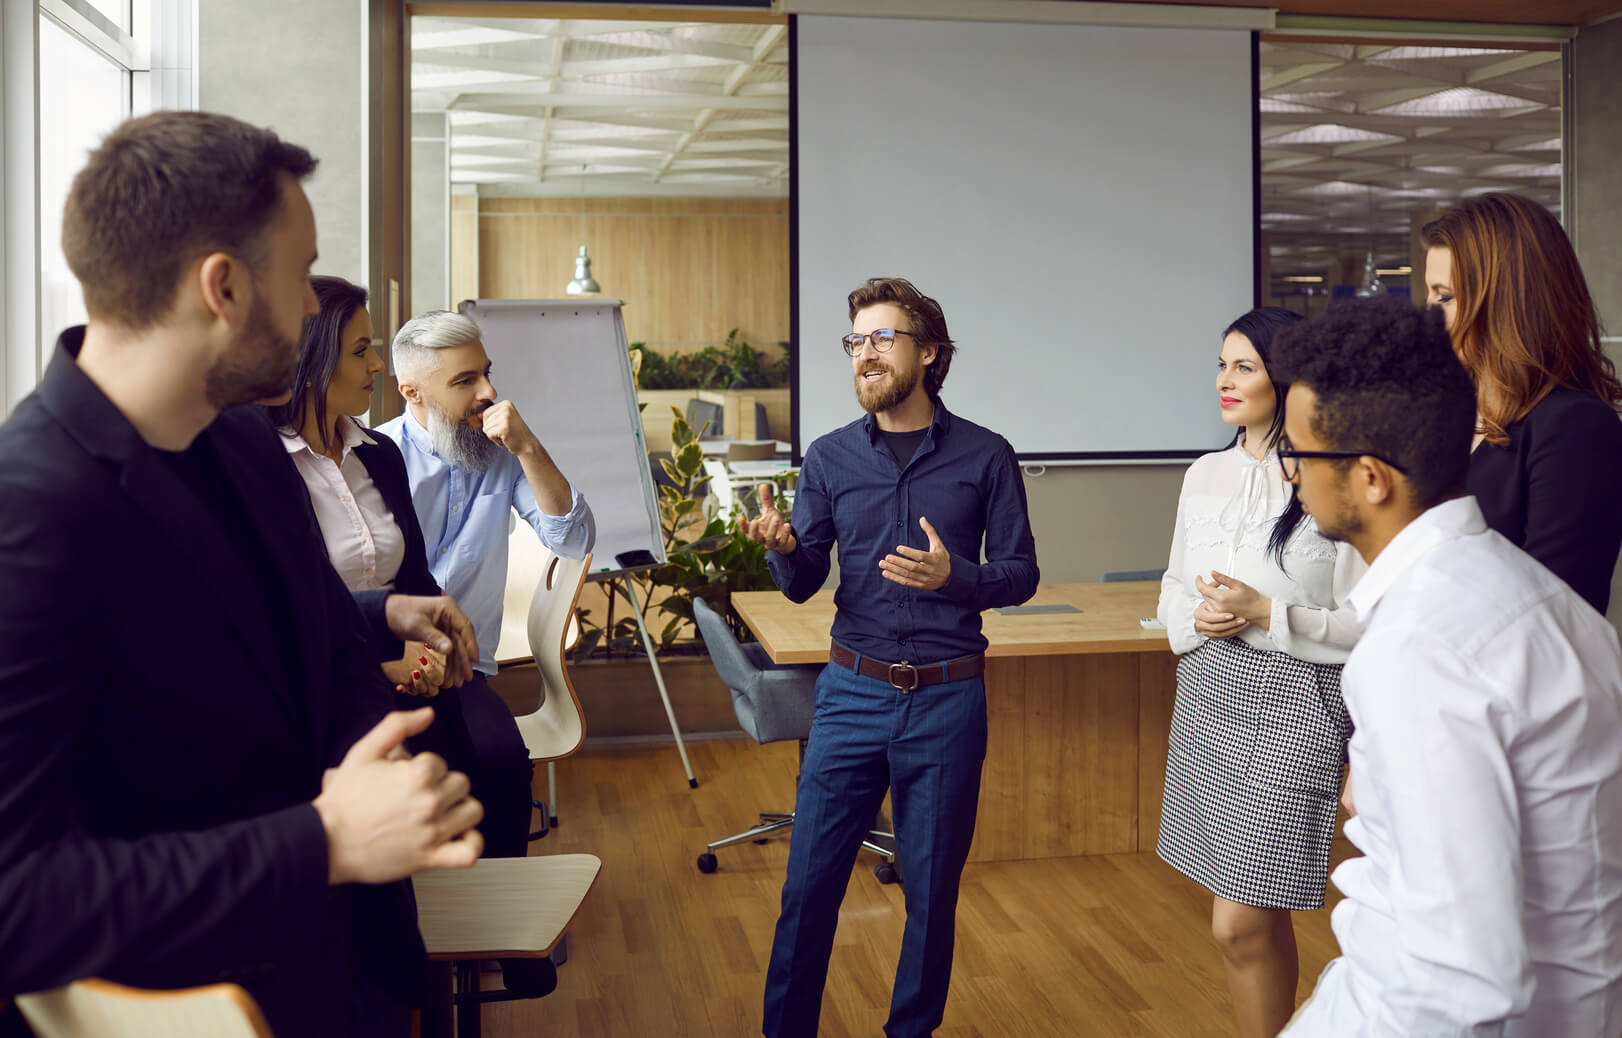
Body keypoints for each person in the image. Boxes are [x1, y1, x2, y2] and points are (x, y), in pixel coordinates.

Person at [0, 111, 486, 1036]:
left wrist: (389, 737)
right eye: (301, 273)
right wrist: (324, 841)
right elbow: (16, 899)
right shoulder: (30, 510)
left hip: (342, 973)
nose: (313, 307)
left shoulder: (243, 444)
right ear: (221, 287)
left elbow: (319, 641)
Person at [1272, 297, 1622, 1036]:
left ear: (1371, 477)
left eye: (1298, 456)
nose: (1292, 479)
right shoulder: (1538, 599)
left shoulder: (1422, 649)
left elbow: (1460, 984)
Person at [742, 277, 1039, 1038]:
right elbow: (807, 580)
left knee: (931, 894)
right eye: (856, 342)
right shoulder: (831, 457)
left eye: (882, 338)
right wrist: (783, 549)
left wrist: (957, 578)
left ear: (929, 353)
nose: (864, 354)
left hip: (947, 700)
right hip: (851, 695)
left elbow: (1021, 573)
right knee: (808, 886)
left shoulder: (986, 455)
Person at [267, 277, 539, 877]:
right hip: (328, 684)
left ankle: (501, 939)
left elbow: (414, 574)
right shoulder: (264, 465)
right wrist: (388, 659)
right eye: (361, 351)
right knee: (419, 780)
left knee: (499, 764)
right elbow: (283, 608)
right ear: (313, 357)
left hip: (417, 668)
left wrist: (437, 646)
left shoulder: (376, 456)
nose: (376, 366)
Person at [1155, 307, 1364, 1038]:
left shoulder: (1334, 476)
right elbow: (1173, 585)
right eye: (1221, 365)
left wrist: (1268, 614)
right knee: (1247, 917)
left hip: (1297, 705)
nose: (1224, 380)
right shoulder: (1204, 472)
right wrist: (1200, 620)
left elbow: (1368, 622)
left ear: (1286, 375)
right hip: (1210, 695)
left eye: (1244, 366)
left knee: (1237, 919)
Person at [375, 309, 595, 856]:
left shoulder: (498, 453)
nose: (489, 391)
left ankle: (506, 930)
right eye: (464, 381)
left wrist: (528, 447)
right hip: (382, 667)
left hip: (460, 673)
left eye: (486, 373)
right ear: (412, 391)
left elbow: (574, 538)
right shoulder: (376, 460)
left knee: (500, 763)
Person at [1422, 192, 1622, 613]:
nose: (1429, 314)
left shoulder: (1575, 427)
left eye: (1445, 296)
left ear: (1504, 301)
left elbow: (1555, 609)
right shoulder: (1445, 412)